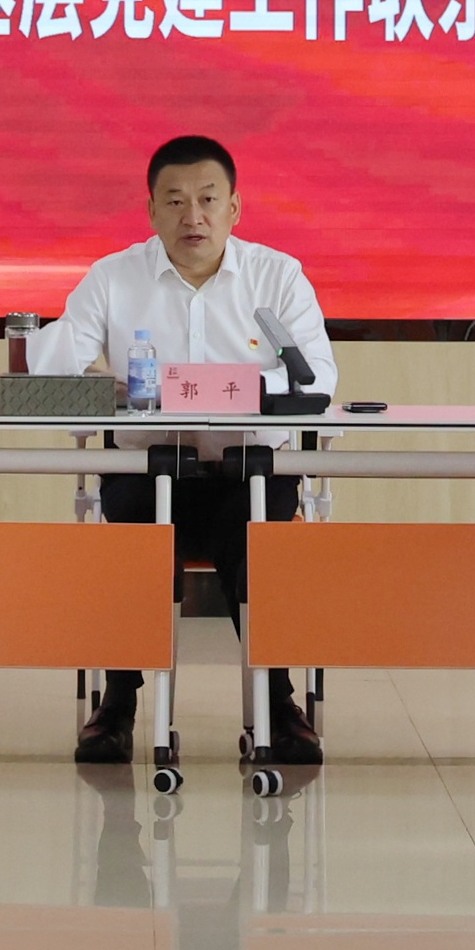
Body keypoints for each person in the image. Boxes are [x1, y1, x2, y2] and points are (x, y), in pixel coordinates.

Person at [36, 134, 336, 770]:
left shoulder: (278, 276)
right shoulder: (113, 277)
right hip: (145, 469)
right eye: (174, 201)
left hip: (249, 471)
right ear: (151, 211)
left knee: (256, 543)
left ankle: (278, 705)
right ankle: (118, 705)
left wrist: (214, 389)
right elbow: (54, 366)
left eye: (207, 199)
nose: (192, 216)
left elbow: (318, 380)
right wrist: (94, 376)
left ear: (235, 208)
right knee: (134, 544)